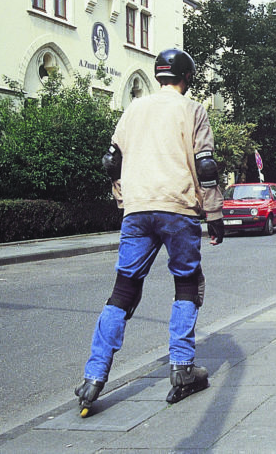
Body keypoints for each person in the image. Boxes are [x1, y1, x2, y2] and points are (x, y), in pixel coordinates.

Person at [75, 48, 225, 417]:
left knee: (123, 290)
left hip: (138, 210)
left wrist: (124, 199)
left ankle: (93, 377)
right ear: (187, 78)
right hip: (177, 208)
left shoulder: (134, 108)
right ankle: (182, 369)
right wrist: (215, 213)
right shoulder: (193, 110)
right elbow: (205, 166)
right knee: (188, 284)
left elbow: (112, 160)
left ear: (158, 76)